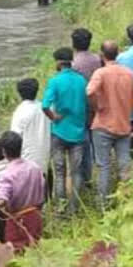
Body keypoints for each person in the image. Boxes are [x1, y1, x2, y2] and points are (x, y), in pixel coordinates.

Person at [86, 40, 133, 204]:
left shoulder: (101, 73)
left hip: (103, 126)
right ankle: (126, 202)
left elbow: (90, 91)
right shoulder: (128, 73)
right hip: (124, 125)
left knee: (103, 166)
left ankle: (102, 204)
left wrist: (97, 107)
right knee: (125, 165)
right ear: (117, 52)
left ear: (101, 55)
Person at [42, 48, 87, 213]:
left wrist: (53, 117)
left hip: (59, 132)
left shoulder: (55, 81)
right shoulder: (81, 80)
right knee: (76, 172)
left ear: (59, 63)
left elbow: (45, 105)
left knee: (60, 172)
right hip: (78, 132)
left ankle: (61, 209)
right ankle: (74, 208)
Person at [0, 131, 45, 252]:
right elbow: (43, 188)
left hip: (17, 219)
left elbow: (1, 199)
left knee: (16, 252)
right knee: (34, 249)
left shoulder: (7, 174)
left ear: (3, 152)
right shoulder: (35, 167)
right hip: (35, 215)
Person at [71, 28, 102, 186]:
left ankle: (84, 177)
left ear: (73, 44)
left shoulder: (73, 64)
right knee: (93, 138)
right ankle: (96, 170)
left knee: (81, 142)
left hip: (79, 106)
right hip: (96, 104)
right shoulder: (97, 59)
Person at [10, 78, 51, 174]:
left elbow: (14, 137)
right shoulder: (45, 108)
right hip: (45, 157)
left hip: (27, 160)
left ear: (19, 93)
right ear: (36, 91)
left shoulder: (20, 112)